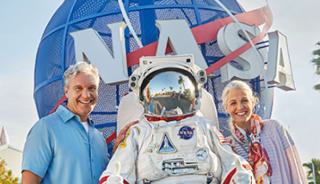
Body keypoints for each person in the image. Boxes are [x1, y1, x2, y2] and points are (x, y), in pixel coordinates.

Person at [100, 55, 254, 184]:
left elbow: (232, 162)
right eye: (161, 91)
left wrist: (241, 175)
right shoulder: (139, 131)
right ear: (144, 98)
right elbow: (117, 171)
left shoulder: (204, 126)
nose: (170, 100)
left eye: (177, 90)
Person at [21, 61, 134, 184]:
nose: (86, 95)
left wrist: (117, 152)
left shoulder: (99, 138)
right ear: (66, 91)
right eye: (78, 88)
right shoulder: (46, 128)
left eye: (92, 88)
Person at [222, 80, 307, 184]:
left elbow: (295, 169)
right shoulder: (228, 146)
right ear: (226, 108)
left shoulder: (274, 128)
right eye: (233, 103)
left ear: (252, 102)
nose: (240, 107)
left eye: (244, 101)